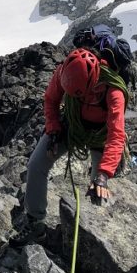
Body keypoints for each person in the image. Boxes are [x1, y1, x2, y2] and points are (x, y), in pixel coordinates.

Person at [12, 46, 128, 245]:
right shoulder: (65, 72)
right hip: (70, 127)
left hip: (100, 136)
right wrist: (54, 129)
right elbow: (50, 99)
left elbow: (116, 135)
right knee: (36, 165)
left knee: (97, 192)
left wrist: (103, 174)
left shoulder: (113, 91)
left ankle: (92, 242)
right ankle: (35, 223)